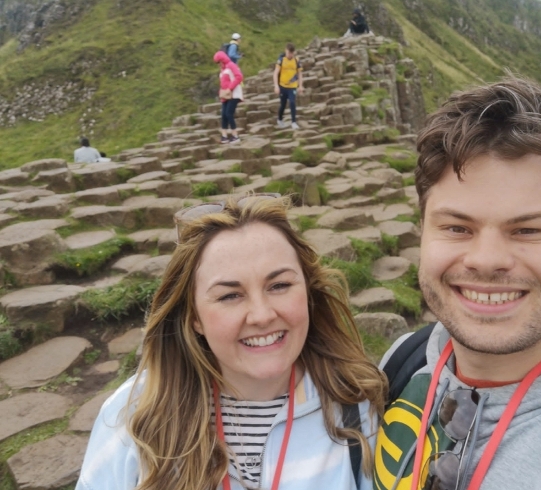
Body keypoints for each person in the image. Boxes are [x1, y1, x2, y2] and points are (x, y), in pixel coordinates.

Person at [373, 76, 541, 490]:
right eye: (457, 227)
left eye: (527, 230)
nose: (487, 261)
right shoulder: (404, 360)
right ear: (422, 231)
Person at [76, 194, 387, 490]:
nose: (262, 315)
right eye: (230, 295)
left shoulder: (357, 406)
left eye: (279, 285)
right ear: (194, 315)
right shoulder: (132, 416)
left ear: (308, 292)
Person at [214, 50, 244, 144]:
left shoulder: (231, 65)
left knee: (229, 113)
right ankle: (224, 136)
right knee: (223, 114)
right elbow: (223, 83)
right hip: (226, 95)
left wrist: (229, 89)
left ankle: (235, 135)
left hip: (234, 94)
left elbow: (239, 77)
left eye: (219, 62)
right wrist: (222, 92)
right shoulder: (223, 70)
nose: (218, 64)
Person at [274, 43, 303, 130]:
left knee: (292, 102)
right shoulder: (281, 60)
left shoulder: (296, 61)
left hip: (292, 86)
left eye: (291, 53)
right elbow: (275, 73)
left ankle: (293, 122)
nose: (289, 55)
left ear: (293, 52)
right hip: (282, 86)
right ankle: (279, 119)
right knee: (283, 104)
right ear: (285, 51)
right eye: (288, 53)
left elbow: (300, 74)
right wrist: (276, 86)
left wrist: (300, 86)